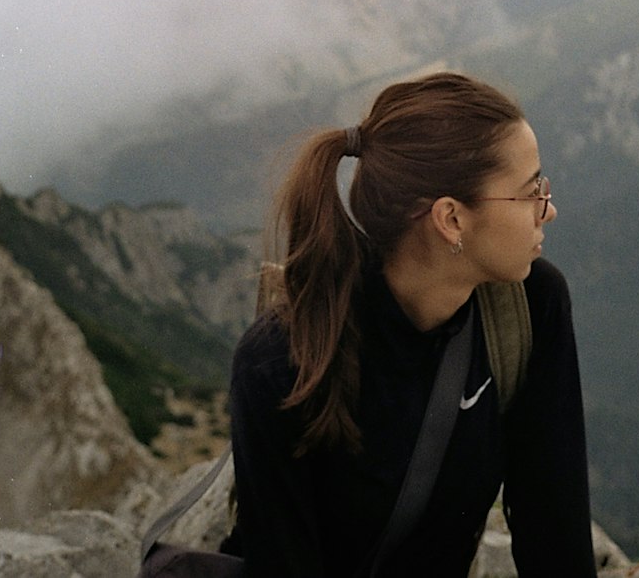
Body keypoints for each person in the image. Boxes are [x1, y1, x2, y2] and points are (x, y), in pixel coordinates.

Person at [226, 70, 597, 578]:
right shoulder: (281, 361)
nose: (548, 210)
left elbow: (555, 530)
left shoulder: (532, 306)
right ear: (451, 219)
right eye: (531, 191)